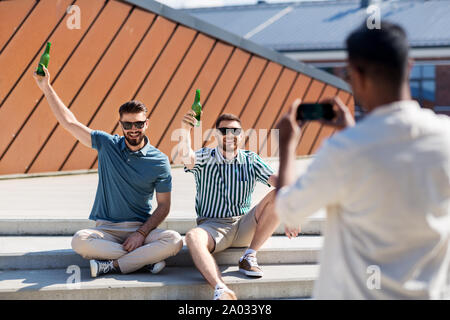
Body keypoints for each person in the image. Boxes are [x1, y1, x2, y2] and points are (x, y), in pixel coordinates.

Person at [275, 21, 450, 299]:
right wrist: (353, 132)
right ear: (410, 66)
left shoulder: (344, 151)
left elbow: (288, 210)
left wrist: (286, 145)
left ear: (356, 74)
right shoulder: (444, 136)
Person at [33, 65, 183, 278]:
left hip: (141, 227)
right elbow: (69, 122)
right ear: (120, 124)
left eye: (138, 124)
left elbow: (164, 206)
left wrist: (141, 234)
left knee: (175, 240)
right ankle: (142, 261)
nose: (133, 129)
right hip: (105, 230)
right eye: (128, 124)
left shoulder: (159, 161)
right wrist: (46, 87)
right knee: (80, 240)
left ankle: (111, 265)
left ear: (146, 123)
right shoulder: (106, 144)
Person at [179, 111, 279, 300]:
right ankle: (221, 288)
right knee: (192, 236)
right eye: (224, 130)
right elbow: (188, 160)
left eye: (235, 130)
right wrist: (185, 132)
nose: (230, 135)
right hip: (212, 226)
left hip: (244, 225)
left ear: (242, 135)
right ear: (216, 135)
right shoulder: (204, 157)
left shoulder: (250, 160)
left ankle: (249, 256)